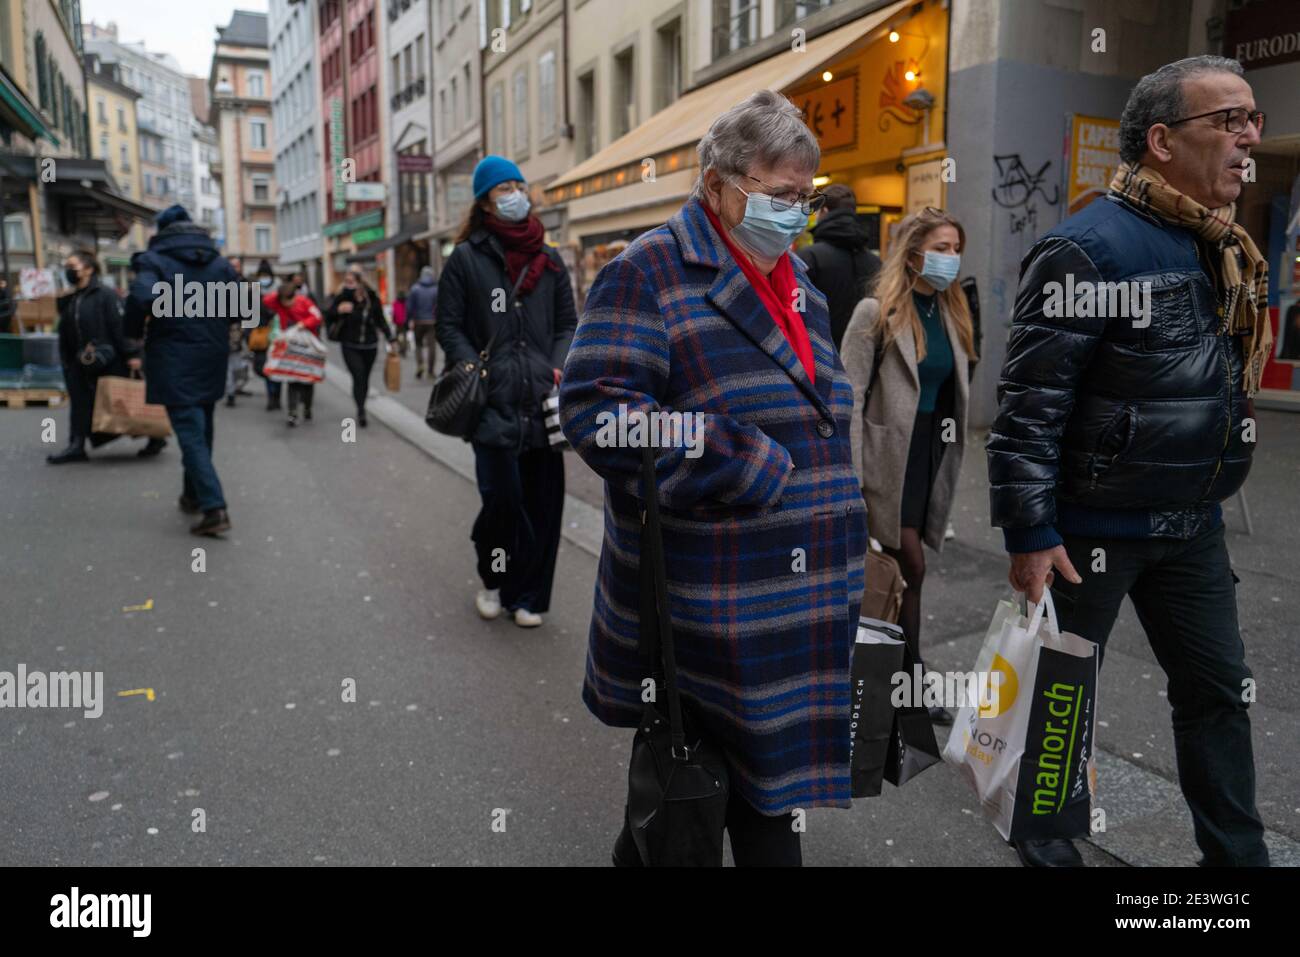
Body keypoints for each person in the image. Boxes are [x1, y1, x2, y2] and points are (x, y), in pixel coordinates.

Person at [560, 91, 867, 866]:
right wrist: (741, 457)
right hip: (709, 603)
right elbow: (599, 412)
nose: (794, 212)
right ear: (718, 184)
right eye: (778, 194)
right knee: (707, 804)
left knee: (714, 808)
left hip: (795, 596)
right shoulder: (648, 270)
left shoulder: (802, 282)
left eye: (805, 196)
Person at [988, 55, 1270, 868]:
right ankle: (1047, 850)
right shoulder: (1088, 248)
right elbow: (1029, 407)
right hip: (1087, 533)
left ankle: (1238, 866)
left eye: (1252, 118)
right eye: (1228, 120)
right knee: (1058, 703)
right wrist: (1029, 530)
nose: (1248, 135)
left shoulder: (1222, 245)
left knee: (1218, 694)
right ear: (1160, 141)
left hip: (1193, 526)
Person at [842, 207, 975, 727]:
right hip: (884, 459)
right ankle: (907, 685)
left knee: (904, 572)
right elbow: (848, 396)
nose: (951, 258)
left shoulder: (951, 311)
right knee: (910, 566)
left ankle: (894, 680)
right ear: (913, 251)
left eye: (955, 247)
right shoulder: (875, 312)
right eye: (941, 247)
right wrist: (852, 481)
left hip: (928, 457)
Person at [436, 155, 575, 629]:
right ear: (485, 200)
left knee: (544, 502)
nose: (516, 193)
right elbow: (449, 326)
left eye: (520, 184)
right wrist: (473, 365)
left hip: (541, 401)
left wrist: (557, 366)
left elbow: (567, 325)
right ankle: (494, 580)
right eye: (504, 188)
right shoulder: (466, 259)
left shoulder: (549, 258)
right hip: (492, 404)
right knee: (502, 501)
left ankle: (529, 596)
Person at [124, 205, 238, 536]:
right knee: (201, 431)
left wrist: (132, 331)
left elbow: (140, 297)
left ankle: (214, 508)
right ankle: (193, 495)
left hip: (174, 357)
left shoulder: (155, 261)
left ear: (162, 230)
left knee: (190, 433)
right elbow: (248, 306)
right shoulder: (219, 263)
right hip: (212, 356)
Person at [46, 250, 138, 464]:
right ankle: (76, 445)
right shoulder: (72, 297)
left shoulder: (105, 294)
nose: (68, 270)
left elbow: (119, 325)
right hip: (79, 360)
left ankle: (154, 435)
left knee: (121, 402)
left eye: (73, 266)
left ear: (88, 269)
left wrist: (132, 353)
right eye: (66, 266)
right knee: (80, 403)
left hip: (106, 359)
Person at [797, 184, 881, 351]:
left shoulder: (807, 258)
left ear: (825, 211)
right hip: (863, 360)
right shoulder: (876, 263)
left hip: (818, 357)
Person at [325, 264, 393, 427]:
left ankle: (361, 403)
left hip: (370, 345)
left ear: (360, 282)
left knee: (365, 378)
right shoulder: (342, 298)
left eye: (351, 281)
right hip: (350, 344)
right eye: (346, 281)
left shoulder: (372, 298)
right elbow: (327, 315)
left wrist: (392, 338)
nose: (348, 284)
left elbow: (380, 320)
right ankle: (361, 409)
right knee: (358, 375)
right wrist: (338, 310)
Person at [262, 278, 324, 427]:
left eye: (288, 301)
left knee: (307, 380)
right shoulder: (278, 303)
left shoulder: (304, 302)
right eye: (283, 301)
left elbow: (317, 316)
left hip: (307, 346)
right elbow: (266, 301)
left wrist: (304, 323)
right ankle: (292, 413)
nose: (286, 305)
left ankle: (307, 408)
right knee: (291, 379)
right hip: (290, 347)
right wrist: (278, 294)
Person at [407, 265, 438, 378]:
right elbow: (439, 306)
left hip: (418, 321)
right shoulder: (436, 289)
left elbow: (410, 307)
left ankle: (420, 364)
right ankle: (430, 370)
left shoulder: (415, 288)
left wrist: (410, 319)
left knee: (419, 345)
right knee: (432, 346)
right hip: (432, 321)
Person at [392, 290, 409, 357]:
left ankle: (401, 348)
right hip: (404, 321)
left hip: (398, 322)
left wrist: (394, 320)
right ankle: (403, 349)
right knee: (404, 336)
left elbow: (394, 313)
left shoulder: (395, 303)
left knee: (397, 336)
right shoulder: (406, 303)